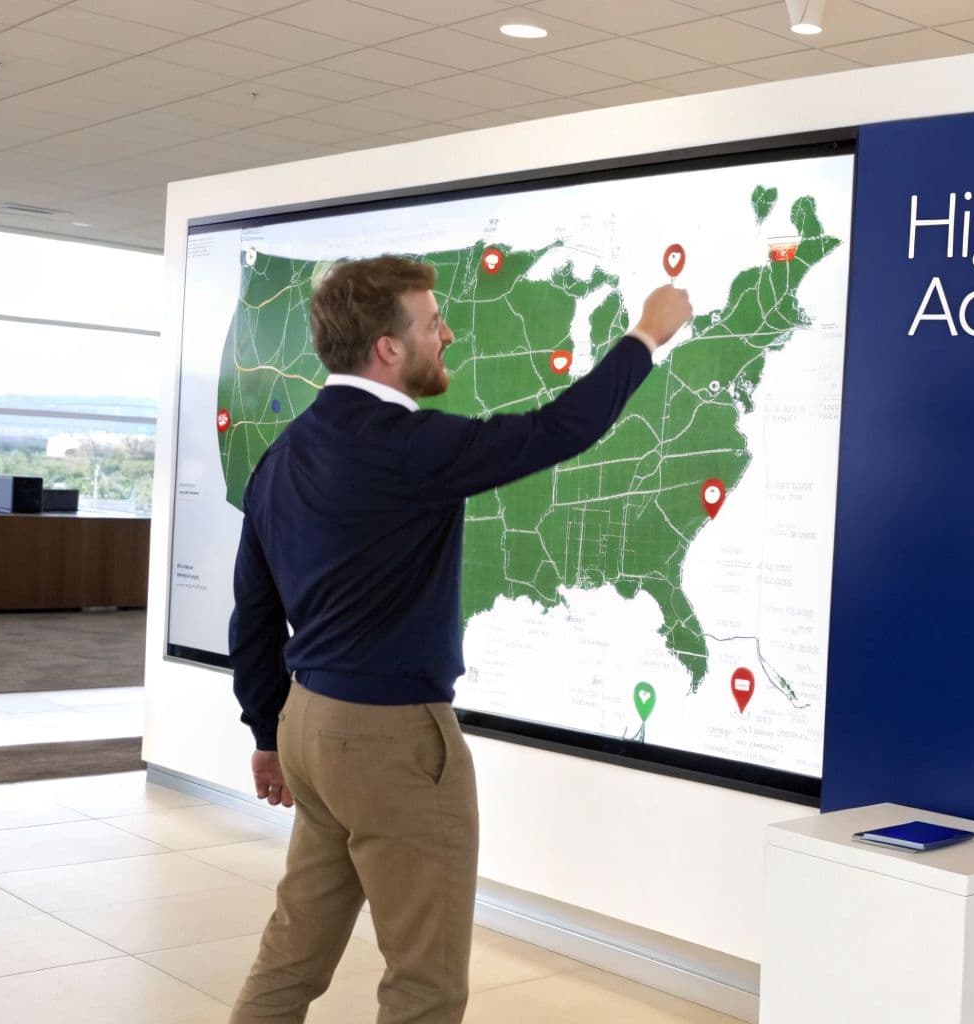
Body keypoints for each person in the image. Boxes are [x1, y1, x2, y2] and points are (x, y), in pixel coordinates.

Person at [226, 254, 691, 1024]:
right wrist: (646, 334)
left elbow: (253, 610)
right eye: (432, 321)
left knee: (292, 952)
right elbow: (559, 429)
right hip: (391, 741)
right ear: (387, 348)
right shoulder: (407, 448)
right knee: (424, 982)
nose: (447, 333)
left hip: (308, 726)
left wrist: (266, 730)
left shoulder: (282, 455)